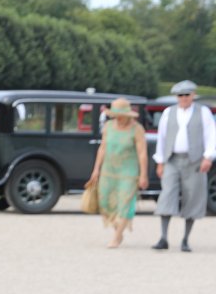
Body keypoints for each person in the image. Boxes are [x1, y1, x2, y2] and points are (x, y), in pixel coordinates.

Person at [152, 80, 215, 252]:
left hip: (195, 160)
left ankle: (185, 239)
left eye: (187, 95)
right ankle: (163, 237)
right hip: (172, 159)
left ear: (193, 95)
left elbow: (211, 135)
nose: (184, 98)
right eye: (180, 95)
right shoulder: (168, 112)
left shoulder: (203, 112)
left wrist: (208, 157)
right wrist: (160, 161)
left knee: (193, 197)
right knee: (167, 195)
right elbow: (162, 137)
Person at [86, 97, 149, 248]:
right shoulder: (108, 127)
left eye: (121, 115)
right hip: (108, 170)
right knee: (105, 202)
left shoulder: (137, 129)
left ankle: (116, 237)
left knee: (125, 203)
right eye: (116, 115)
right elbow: (102, 148)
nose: (118, 118)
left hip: (128, 171)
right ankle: (118, 230)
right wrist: (96, 169)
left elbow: (142, 153)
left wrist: (143, 174)